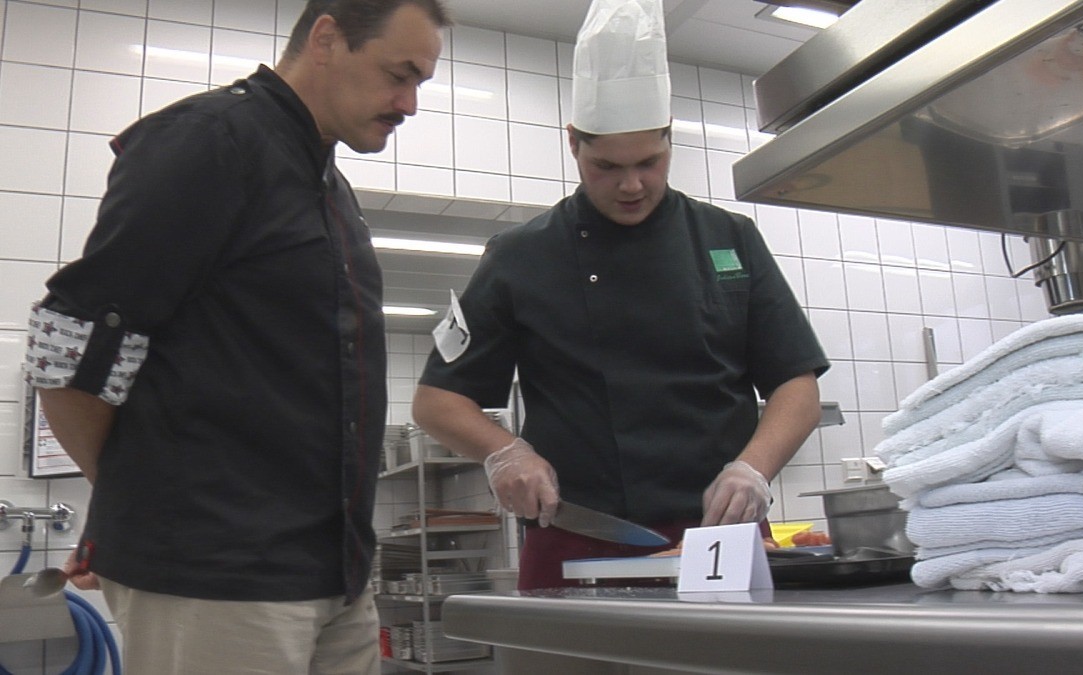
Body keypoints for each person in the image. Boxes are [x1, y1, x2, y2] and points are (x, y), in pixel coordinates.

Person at [21, 0, 449, 672]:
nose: (410, 104)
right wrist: (133, 501)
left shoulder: (331, 189)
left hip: (334, 572)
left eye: (420, 82)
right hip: (214, 572)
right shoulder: (211, 141)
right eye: (399, 75)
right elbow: (71, 347)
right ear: (326, 38)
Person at [412, 0, 828, 591]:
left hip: (720, 534)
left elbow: (797, 386)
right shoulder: (519, 256)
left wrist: (753, 468)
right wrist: (506, 453)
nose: (632, 185)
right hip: (576, 536)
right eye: (607, 166)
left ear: (669, 139)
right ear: (573, 143)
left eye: (649, 162)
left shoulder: (729, 238)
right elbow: (437, 401)